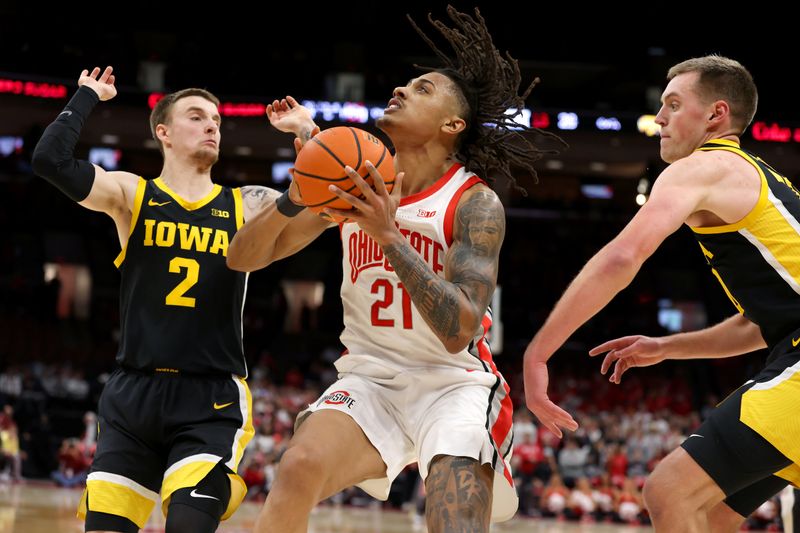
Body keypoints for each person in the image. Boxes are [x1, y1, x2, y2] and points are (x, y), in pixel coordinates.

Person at [226, 7, 563, 532]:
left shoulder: (473, 203)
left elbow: (459, 330)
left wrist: (390, 239)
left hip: (454, 384)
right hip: (370, 376)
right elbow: (242, 258)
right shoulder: (355, 179)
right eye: (404, 84)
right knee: (297, 467)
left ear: (454, 124)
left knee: (454, 520)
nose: (401, 90)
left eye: (422, 89)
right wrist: (295, 196)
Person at [31, 67, 322, 533]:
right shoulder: (132, 194)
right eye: (197, 116)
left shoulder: (247, 204)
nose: (212, 126)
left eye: (217, 121)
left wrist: (307, 132)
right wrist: (87, 94)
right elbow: (50, 160)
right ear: (163, 132)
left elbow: (321, 204)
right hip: (132, 397)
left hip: (209, 400)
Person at [523, 54, 800, 531]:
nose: (661, 119)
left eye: (673, 105)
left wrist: (538, 353)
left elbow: (622, 258)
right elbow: (757, 324)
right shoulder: (758, 180)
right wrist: (667, 347)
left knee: (668, 490)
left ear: (716, 115)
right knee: (711, 514)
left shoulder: (705, 166)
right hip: (788, 348)